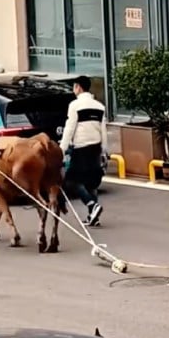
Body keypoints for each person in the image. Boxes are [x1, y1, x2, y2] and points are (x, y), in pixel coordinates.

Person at [60, 75, 107, 226]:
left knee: (71, 181)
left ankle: (92, 205)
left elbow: (69, 128)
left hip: (81, 149)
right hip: (96, 148)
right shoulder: (99, 106)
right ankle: (93, 217)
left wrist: (62, 149)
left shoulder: (75, 105)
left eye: (74, 86)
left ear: (78, 87)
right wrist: (104, 151)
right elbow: (103, 130)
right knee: (91, 182)